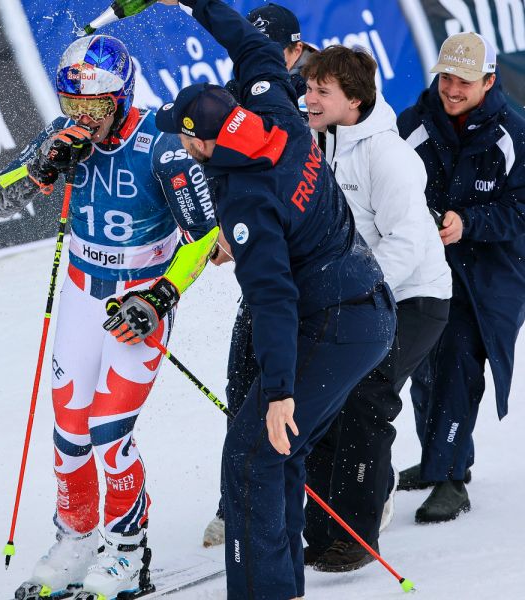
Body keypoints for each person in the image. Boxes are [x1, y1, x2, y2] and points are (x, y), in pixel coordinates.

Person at [156, 1, 394, 598]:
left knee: (252, 455)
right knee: (277, 454)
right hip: (363, 305)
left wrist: (281, 392)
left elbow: (271, 298)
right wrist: (196, 5)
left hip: (332, 321)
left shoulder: (248, 205)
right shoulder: (272, 107)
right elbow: (251, 45)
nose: (182, 152)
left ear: (203, 142)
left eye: (184, 142)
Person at [0, 34, 219, 600]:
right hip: (82, 296)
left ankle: (127, 552)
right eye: (73, 105)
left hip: (135, 304)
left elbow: (206, 235)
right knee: (68, 433)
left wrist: (160, 297)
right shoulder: (63, 135)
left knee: (109, 434)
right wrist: (42, 165)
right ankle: (75, 539)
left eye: (95, 106)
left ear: (121, 96)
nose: (83, 118)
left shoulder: (161, 144)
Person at [299, 45, 452, 571]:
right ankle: (319, 532)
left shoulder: (386, 154)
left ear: (356, 101)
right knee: (322, 400)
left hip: (413, 296)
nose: (309, 98)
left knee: (366, 396)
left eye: (323, 91)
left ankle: (357, 535)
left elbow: (408, 243)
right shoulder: (312, 139)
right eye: (309, 87)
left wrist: (354, 295)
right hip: (352, 292)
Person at [396, 31, 525, 523]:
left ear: (489, 81)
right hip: (427, 267)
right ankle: (442, 460)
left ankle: (450, 477)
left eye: (465, 82)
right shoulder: (412, 123)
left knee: (457, 362)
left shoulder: (514, 132)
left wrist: (469, 223)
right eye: (446, 77)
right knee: (422, 364)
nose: (452, 89)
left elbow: (521, 208)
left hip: (490, 274)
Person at [205, 0, 312, 549]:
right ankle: (236, 503)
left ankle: (294, 511)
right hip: (270, 275)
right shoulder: (248, 91)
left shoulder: (303, 107)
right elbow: (247, 46)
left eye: (284, 48)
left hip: (309, 286)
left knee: (288, 398)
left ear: (296, 51)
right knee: (243, 382)